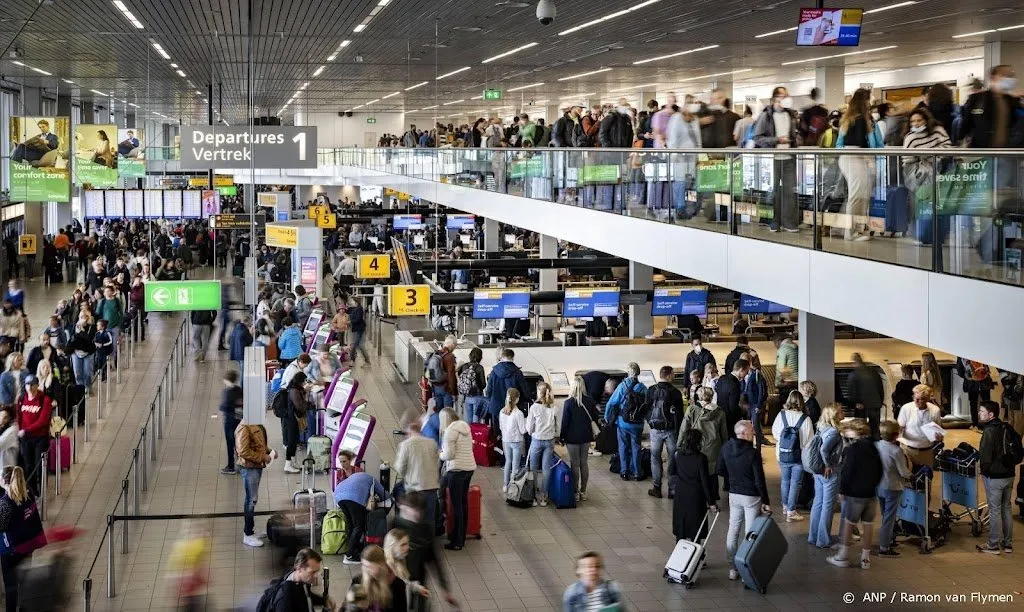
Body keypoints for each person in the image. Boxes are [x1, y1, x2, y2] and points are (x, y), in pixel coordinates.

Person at [717, 420, 771, 582]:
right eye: (752, 432)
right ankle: (747, 567)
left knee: (733, 529)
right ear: (745, 434)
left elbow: (719, 469)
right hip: (751, 497)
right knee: (750, 533)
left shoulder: (726, 447)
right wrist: (766, 500)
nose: (753, 434)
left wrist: (733, 478)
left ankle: (733, 567)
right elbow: (759, 479)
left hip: (734, 494)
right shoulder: (752, 453)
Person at [828, 419, 883, 570]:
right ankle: (865, 559)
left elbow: (848, 472)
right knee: (868, 525)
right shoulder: (874, 447)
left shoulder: (853, 449)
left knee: (849, 523)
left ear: (856, 432)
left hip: (855, 493)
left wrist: (842, 490)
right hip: (871, 493)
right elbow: (880, 470)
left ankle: (842, 556)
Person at [392, 491, 457, 608]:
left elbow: (434, 559)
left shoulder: (424, 528)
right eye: (415, 511)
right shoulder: (393, 526)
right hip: (397, 583)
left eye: (420, 511)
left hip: (419, 582)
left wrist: (444, 588)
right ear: (405, 507)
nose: (418, 515)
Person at [752, 86, 800, 233]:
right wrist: (776, 140)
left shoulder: (790, 115)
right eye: (782, 96)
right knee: (773, 191)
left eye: (786, 95)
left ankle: (788, 222)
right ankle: (774, 221)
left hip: (789, 158)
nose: (785, 98)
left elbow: (794, 135)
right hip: (771, 159)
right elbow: (757, 138)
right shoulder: (766, 116)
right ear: (775, 98)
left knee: (789, 191)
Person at [0, 466, 46, 612]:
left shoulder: (5, 502)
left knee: (11, 587)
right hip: (27, 545)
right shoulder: (28, 493)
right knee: (25, 582)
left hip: (10, 550)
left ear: (4, 480)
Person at [977, 400, 1019, 554]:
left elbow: (985, 455)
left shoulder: (989, 430)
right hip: (1009, 474)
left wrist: (984, 470)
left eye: (982, 411)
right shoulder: (1006, 427)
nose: (979, 413)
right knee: (1006, 507)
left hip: (995, 476)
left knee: (994, 510)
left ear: (991, 414)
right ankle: (1007, 543)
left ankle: (993, 544)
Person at [393, 408, 441, 530]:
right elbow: (437, 463)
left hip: (415, 489)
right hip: (431, 487)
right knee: (430, 520)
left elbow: (400, 468)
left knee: (415, 523)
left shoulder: (405, 445)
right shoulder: (432, 443)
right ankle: (429, 543)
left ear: (407, 429)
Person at [770, 390, 813, 522]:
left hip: (782, 453)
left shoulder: (781, 415)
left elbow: (775, 433)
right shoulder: (805, 419)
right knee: (796, 483)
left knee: (785, 480)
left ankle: (784, 506)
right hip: (798, 455)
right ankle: (791, 510)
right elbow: (809, 440)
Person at [672, 428, 718, 542]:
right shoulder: (701, 458)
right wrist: (711, 502)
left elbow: (672, 471)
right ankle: (695, 555)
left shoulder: (677, 454)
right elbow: (705, 481)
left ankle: (680, 553)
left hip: (680, 493)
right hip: (696, 495)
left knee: (681, 523)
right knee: (696, 527)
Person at [808, 404, 844, 549]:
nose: (843, 412)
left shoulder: (821, 428)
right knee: (828, 505)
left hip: (818, 472)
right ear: (834, 415)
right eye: (840, 411)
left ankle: (813, 536)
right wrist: (828, 465)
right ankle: (823, 540)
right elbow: (824, 450)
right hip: (830, 471)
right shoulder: (834, 432)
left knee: (818, 503)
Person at [333, 471, 389, 564]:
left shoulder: (355, 477)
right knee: (359, 525)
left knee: (351, 524)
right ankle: (350, 555)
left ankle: (351, 549)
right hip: (354, 498)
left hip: (338, 496)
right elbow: (385, 495)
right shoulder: (372, 479)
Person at [604, 362, 647, 481]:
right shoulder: (643, 388)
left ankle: (624, 471)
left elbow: (611, 403)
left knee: (623, 446)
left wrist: (607, 418)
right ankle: (637, 472)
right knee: (636, 447)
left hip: (623, 422)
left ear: (629, 372)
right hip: (637, 423)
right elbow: (647, 405)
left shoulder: (622, 386)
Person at [439, 408, 475, 550]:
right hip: (469, 468)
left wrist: (439, 454)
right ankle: (461, 537)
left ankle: (457, 541)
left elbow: (449, 455)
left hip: (457, 470)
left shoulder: (449, 432)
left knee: (456, 505)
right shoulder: (464, 427)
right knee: (463, 503)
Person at [961, 64, 1021, 149]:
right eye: (1006, 75)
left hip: (1007, 153)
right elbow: (965, 125)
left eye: (1011, 76)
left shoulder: (1013, 102)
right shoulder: (977, 99)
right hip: (982, 152)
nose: (1010, 79)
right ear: (993, 78)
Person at [235, 421, 275, 547]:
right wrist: (263, 457)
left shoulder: (255, 423)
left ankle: (251, 531)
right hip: (249, 467)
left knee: (252, 499)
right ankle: (247, 534)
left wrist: (269, 451)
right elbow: (243, 451)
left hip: (255, 467)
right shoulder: (245, 427)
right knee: (251, 500)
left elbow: (258, 444)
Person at [875, 419, 912, 557]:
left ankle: (889, 539)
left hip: (879, 485)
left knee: (885, 514)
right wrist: (911, 475)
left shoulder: (876, 446)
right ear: (896, 435)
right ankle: (884, 547)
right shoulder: (896, 451)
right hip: (892, 486)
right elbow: (903, 472)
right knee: (889, 519)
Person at [646, 366, 684, 499]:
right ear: (669, 376)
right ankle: (672, 490)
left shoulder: (651, 390)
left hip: (655, 429)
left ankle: (656, 488)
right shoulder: (675, 392)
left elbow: (646, 408)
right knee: (672, 458)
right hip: (671, 430)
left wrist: (651, 422)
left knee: (655, 458)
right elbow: (680, 414)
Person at [263, 548, 336, 611]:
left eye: (317, 571)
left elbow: (306, 596)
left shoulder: (301, 581)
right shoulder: (285, 598)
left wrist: (324, 601)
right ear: (299, 569)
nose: (316, 576)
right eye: (312, 572)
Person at [560, 376, 595, 502]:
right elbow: (595, 417)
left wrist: (562, 437)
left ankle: (575, 492)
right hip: (586, 437)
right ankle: (583, 491)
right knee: (584, 463)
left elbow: (565, 422)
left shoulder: (568, 402)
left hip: (572, 438)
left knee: (574, 464)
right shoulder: (590, 401)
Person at [16, 375, 51, 496]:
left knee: (40, 465)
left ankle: (42, 491)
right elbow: (18, 417)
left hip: (40, 438)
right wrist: (20, 430)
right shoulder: (21, 399)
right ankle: (32, 491)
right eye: (27, 385)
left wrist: (26, 430)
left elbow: (43, 420)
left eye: (32, 384)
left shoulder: (44, 400)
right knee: (28, 466)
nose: (30, 387)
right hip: (26, 439)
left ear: (37, 385)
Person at [526, 382, 559, 506]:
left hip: (537, 440)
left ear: (539, 392)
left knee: (533, 468)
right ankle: (544, 497)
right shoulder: (553, 408)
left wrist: (531, 431)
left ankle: (534, 496)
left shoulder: (534, 407)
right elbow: (557, 426)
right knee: (546, 469)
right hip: (549, 440)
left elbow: (529, 427)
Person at [897, 384, 944, 467]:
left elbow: (939, 432)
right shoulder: (906, 408)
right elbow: (900, 428)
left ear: (928, 398)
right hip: (908, 450)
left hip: (927, 450)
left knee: (927, 477)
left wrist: (939, 437)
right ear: (913, 397)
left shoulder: (935, 410)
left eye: (924, 399)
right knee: (908, 477)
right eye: (917, 399)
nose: (920, 402)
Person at [484, 348, 530, 431]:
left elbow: (489, 390)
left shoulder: (494, 371)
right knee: (512, 431)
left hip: (496, 406)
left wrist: (489, 400)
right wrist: (528, 399)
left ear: (502, 357)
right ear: (512, 358)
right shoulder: (517, 372)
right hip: (513, 407)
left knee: (498, 432)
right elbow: (524, 389)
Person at [383, 529, 429, 609]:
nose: (407, 547)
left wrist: (418, 588)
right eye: (403, 544)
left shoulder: (400, 560)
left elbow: (404, 583)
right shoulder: (385, 569)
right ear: (392, 546)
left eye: (407, 543)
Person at [848, 353, 885, 440]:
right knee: (875, 429)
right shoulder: (874, 372)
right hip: (875, 404)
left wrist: (854, 404)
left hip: (861, 406)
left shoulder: (854, 375)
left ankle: (863, 448)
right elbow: (880, 388)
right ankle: (875, 449)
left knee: (860, 429)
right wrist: (880, 401)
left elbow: (852, 392)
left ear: (854, 362)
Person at [345, 545, 392, 611]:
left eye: (369, 567)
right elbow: (345, 607)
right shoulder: (357, 580)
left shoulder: (396, 584)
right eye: (363, 565)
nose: (365, 570)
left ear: (380, 565)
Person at [281, 372, 312, 474]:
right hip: (291, 419)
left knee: (294, 441)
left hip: (292, 418)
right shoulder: (294, 391)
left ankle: (293, 463)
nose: (304, 383)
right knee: (291, 442)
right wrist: (307, 404)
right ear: (300, 381)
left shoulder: (295, 389)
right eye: (304, 381)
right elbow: (300, 406)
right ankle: (288, 464)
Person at [499, 388, 528, 492]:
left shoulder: (502, 411)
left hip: (506, 440)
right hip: (516, 441)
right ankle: (513, 485)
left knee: (508, 462)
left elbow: (501, 427)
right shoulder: (519, 413)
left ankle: (505, 485)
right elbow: (523, 430)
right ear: (517, 399)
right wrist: (527, 423)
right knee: (515, 465)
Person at [743, 353, 773, 447]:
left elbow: (761, 391)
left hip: (755, 404)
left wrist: (759, 405)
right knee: (748, 426)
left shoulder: (756, 374)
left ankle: (759, 446)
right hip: (747, 404)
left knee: (756, 426)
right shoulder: (744, 374)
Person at [957, 357, 994, 431]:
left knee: (979, 404)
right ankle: (981, 424)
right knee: (982, 404)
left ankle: (978, 424)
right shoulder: (963, 358)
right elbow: (960, 372)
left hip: (981, 384)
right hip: (976, 384)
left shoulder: (962, 358)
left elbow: (960, 372)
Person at [715, 358, 749, 436]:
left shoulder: (722, 378)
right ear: (741, 370)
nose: (746, 375)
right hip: (730, 421)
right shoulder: (735, 384)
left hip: (719, 416)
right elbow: (733, 406)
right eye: (746, 372)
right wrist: (741, 414)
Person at [218, 370, 243, 475]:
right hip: (239, 419)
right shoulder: (239, 389)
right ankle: (241, 463)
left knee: (230, 443)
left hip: (229, 420)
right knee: (239, 442)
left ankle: (231, 466)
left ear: (226, 380)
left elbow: (224, 406)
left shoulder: (226, 392)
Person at [457, 347, 486, 424]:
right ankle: (475, 435)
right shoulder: (480, 368)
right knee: (476, 418)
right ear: (480, 357)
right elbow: (483, 385)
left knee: (468, 419)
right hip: (477, 397)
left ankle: (469, 434)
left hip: (467, 397)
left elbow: (460, 377)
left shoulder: (464, 366)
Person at [430, 335, 458, 409]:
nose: (454, 348)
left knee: (439, 411)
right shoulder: (450, 356)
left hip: (435, 387)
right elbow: (451, 376)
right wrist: (454, 393)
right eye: (455, 346)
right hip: (446, 389)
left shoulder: (436, 353)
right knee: (447, 413)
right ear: (452, 345)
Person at [774, 335, 798, 401]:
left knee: (784, 405)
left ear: (778, 342)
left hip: (786, 383)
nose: (775, 346)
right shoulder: (796, 347)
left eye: (775, 343)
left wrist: (777, 384)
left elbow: (780, 368)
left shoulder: (782, 349)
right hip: (797, 381)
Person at [1001, 371, 1024, 438]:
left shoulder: (1020, 372)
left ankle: (1014, 445)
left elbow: (1019, 389)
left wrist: (1010, 386)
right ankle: (1012, 445)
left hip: (1018, 402)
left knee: (1017, 426)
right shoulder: (1014, 371)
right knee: (1012, 425)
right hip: (1012, 401)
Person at [0, 409, 18, 474]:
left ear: (10, 419)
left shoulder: (12, 430)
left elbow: (1, 444)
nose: (1, 420)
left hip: (7, 468)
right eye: (0, 416)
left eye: (5, 417)